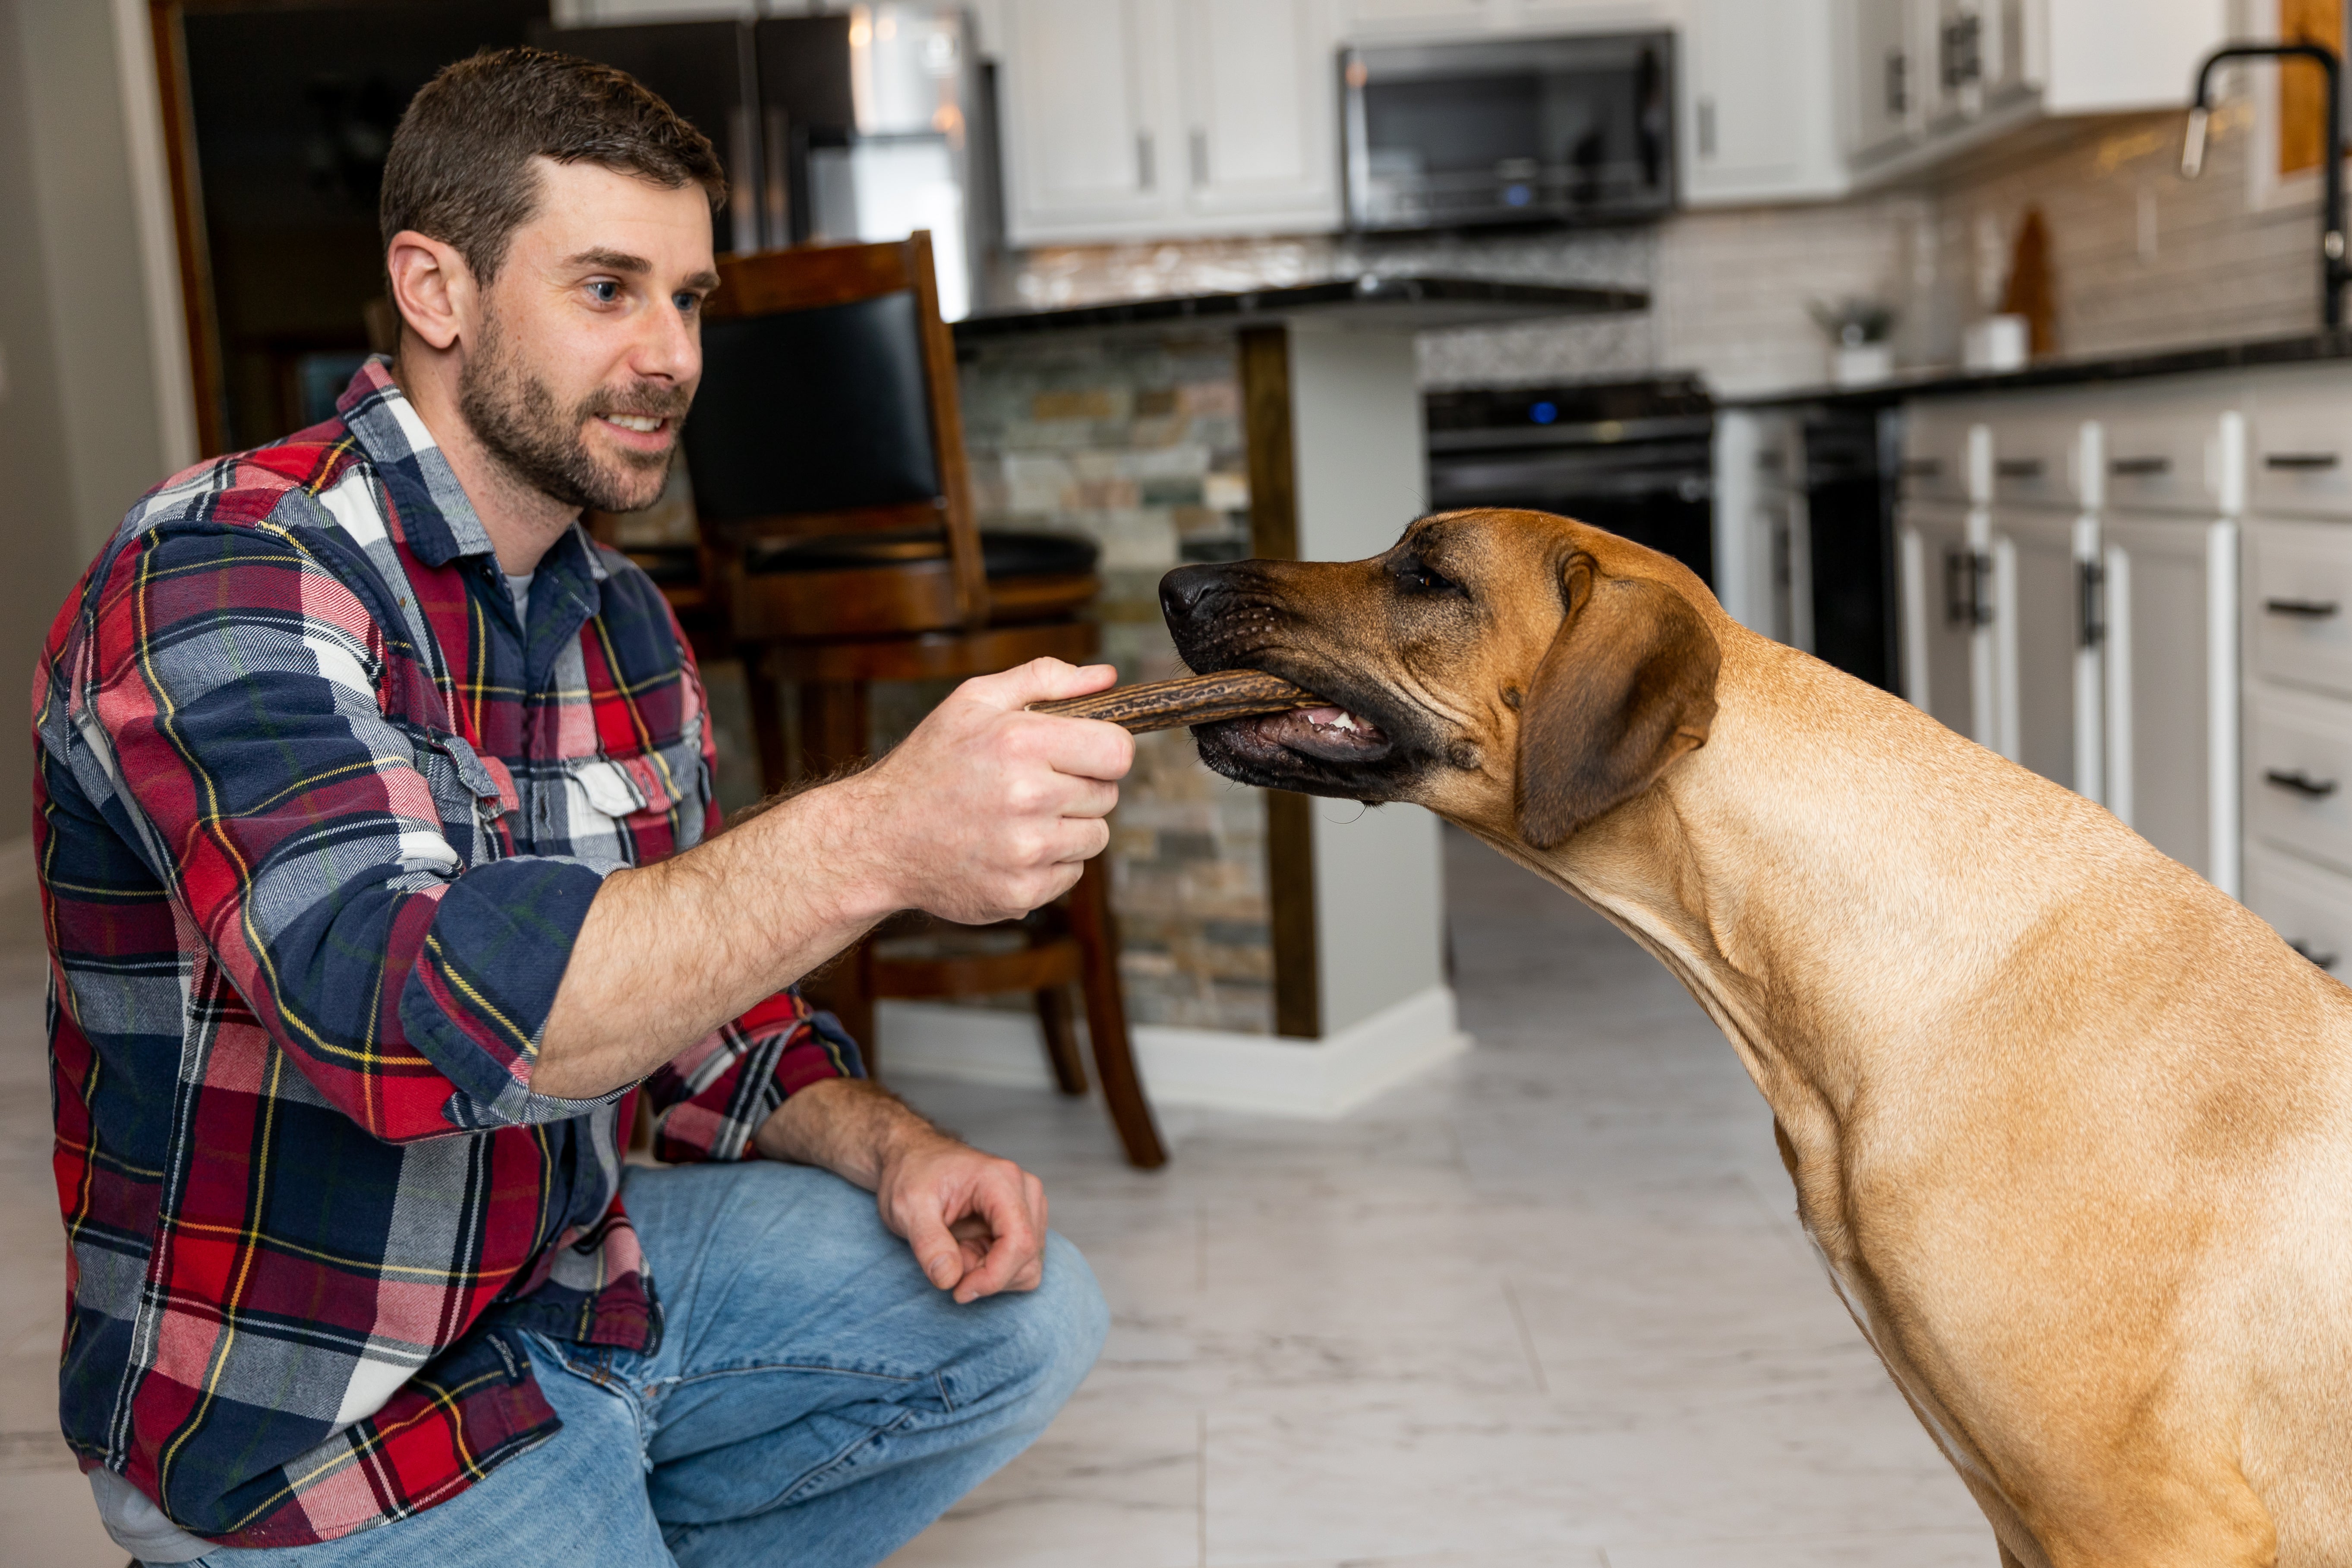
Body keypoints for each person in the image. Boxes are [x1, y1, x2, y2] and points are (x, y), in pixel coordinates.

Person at [34, 45, 1132, 1568]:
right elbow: (394, 1018)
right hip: (307, 1411)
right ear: (437, 290)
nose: (674, 353)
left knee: (1024, 1313)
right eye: (608, 287)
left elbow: (709, 1007)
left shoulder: (621, 620)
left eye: (689, 299)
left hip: (557, 1280)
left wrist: (893, 1148)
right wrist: (876, 832)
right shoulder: (223, 570)